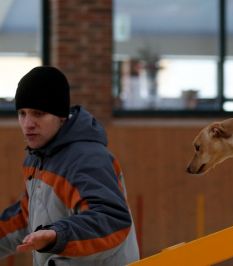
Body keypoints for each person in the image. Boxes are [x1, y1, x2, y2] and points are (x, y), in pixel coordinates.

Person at [0, 66, 140, 265]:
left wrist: (58, 236)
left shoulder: (87, 159)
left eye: (38, 113)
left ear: (61, 116)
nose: (27, 123)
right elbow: (26, 218)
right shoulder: (37, 158)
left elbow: (112, 222)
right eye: (22, 113)